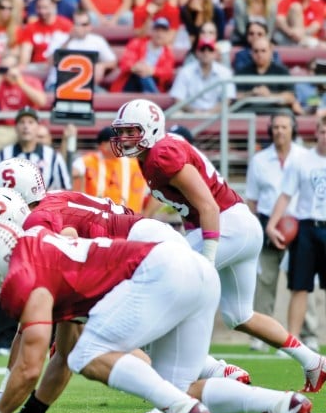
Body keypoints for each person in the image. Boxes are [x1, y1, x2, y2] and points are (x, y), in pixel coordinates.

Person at [0, 219, 312, 413]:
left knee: (92, 355)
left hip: (161, 271)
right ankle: (281, 404)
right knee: (177, 385)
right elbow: (64, 357)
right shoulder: (47, 254)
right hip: (195, 272)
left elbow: (29, 367)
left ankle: (180, 409)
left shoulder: (28, 276)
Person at [110, 98, 326, 394]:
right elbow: (190, 211)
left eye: (131, 131)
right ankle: (313, 361)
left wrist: (206, 261)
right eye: (121, 132)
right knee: (239, 316)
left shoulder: (162, 154)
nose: (123, 139)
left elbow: (208, 207)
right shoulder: (155, 154)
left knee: (165, 291)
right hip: (236, 226)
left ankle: (208, 374)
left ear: (151, 128)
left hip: (226, 225)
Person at [246, 111, 320, 352]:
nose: (279, 131)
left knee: (300, 282)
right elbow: (253, 199)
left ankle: (307, 333)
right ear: (270, 130)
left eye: (284, 127)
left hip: (301, 224)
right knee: (265, 280)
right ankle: (261, 334)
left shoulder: (304, 156)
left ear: (293, 129)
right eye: (276, 127)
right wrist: (260, 226)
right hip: (270, 221)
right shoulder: (259, 160)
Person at [266, 115, 326, 356]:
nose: (325, 136)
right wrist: (272, 224)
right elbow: (285, 195)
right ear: (316, 133)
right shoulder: (302, 160)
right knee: (299, 287)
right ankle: (292, 343)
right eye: (323, 131)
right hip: (306, 227)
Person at [0, 107, 70, 191]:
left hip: (45, 202)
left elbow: (65, 189)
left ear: (38, 127)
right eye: (22, 122)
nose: (26, 126)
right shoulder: (1, 155)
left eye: (31, 122)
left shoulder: (53, 156)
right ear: (15, 128)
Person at [0, 53, 47, 154]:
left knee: (43, 134)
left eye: (11, 67)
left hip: (29, 125)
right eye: (4, 68)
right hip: (6, 128)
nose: (8, 71)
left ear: (18, 67)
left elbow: (42, 102)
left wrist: (21, 83)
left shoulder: (31, 81)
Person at [71, 127, 149, 213]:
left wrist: (147, 215)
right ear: (104, 145)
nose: (121, 144)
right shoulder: (87, 161)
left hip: (130, 221)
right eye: (116, 141)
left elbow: (156, 191)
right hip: (97, 220)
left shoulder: (134, 163)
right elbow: (74, 173)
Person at [233, 36, 302, 115]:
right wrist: (251, 93)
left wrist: (269, 96)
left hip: (276, 113)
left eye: (263, 51)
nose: (259, 54)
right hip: (248, 112)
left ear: (271, 51)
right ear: (251, 52)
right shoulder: (242, 72)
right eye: (256, 51)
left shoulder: (282, 71)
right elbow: (234, 97)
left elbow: (290, 97)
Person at [168, 36, 235, 114]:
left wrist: (210, 112)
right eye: (202, 49)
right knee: (175, 114)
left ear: (215, 53)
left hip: (216, 115)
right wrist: (194, 112)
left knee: (228, 115)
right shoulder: (185, 71)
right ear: (197, 52)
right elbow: (178, 99)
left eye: (210, 50)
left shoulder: (225, 72)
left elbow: (227, 100)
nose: (206, 53)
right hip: (190, 114)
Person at [110, 17, 175, 94]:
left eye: (163, 31)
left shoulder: (168, 53)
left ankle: (153, 95)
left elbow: (167, 73)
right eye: (157, 30)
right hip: (132, 80)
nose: (159, 34)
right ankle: (154, 97)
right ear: (152, 31)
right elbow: (125, 62)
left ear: (167, 34)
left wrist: (152, 71)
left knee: (145, 76)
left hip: (154, 81)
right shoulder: (137, 43)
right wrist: (136, 66)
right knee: (141, 74)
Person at [17, 0, 73, 66]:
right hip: (38, 67)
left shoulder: (66, 25)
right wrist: (23, 67)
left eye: (45, 7)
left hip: (59, 66)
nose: (42, 11)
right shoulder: (31, 27)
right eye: (39, 8)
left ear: (54, 6)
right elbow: (25, 53)